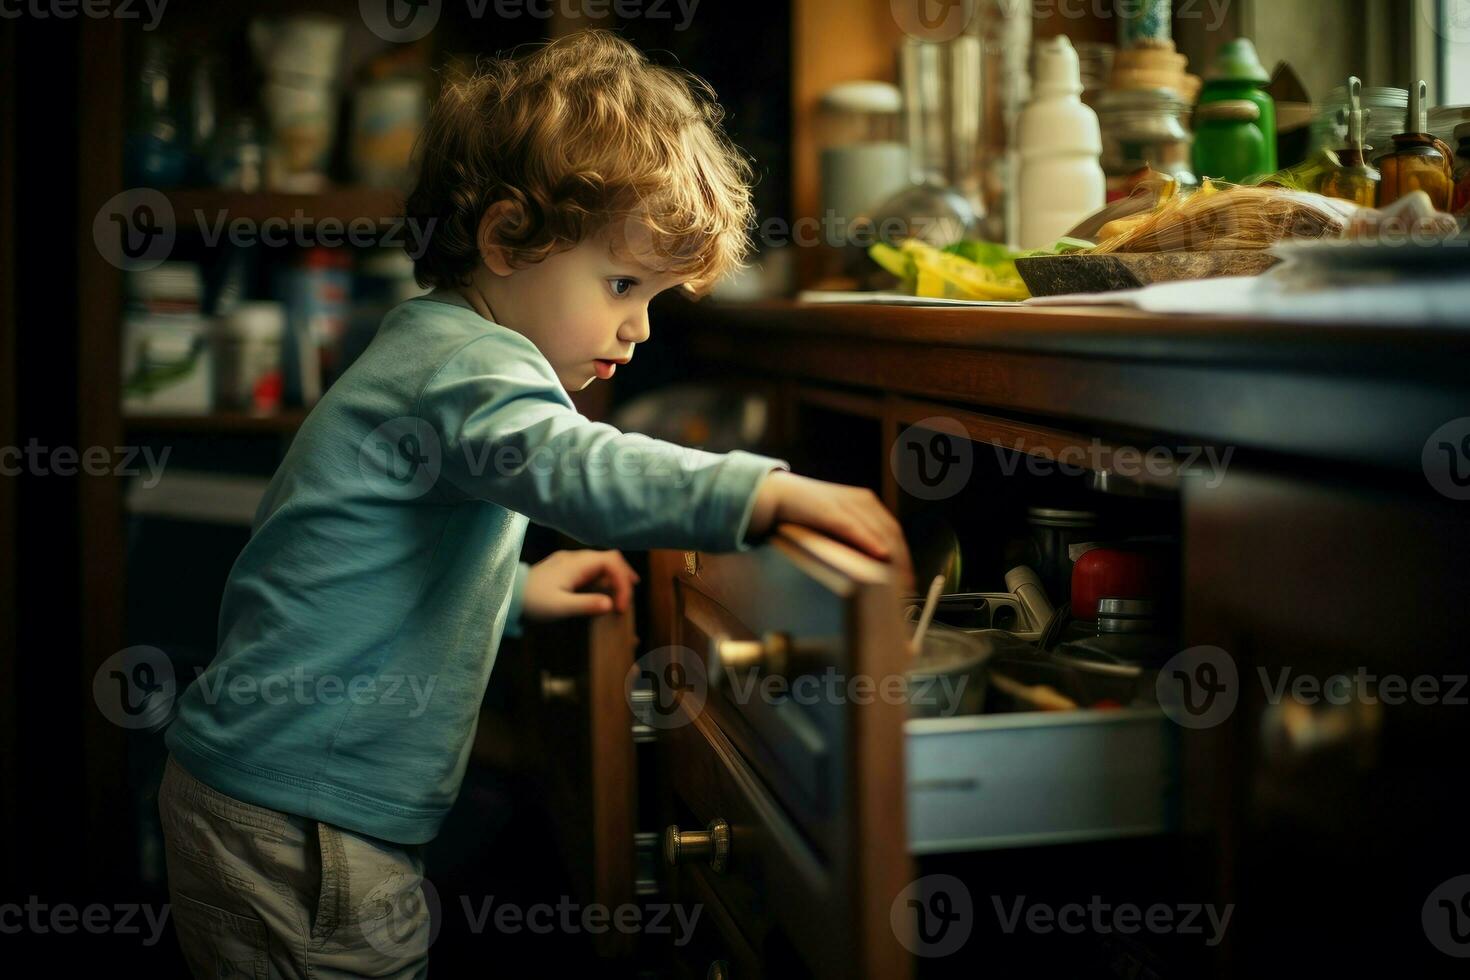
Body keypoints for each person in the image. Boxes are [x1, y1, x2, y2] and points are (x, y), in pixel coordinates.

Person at [157, 30, 912, 978]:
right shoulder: (472, 366)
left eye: (657, 299)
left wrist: (515, 593)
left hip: (292, 798)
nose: (637, 328)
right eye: (624, 284)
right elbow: (571, 468)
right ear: (508, 237)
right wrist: (760, 489)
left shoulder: (439, 348)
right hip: (304, 824)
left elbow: (365, 572)